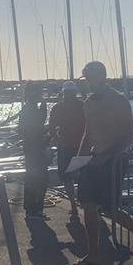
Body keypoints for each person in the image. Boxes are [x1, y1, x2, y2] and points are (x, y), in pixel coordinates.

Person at [73, 61, 133, 265]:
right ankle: (93, 255)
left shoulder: (119, 100)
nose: (87, 82)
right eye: (86, 78)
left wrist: (108, 156)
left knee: (111, 210)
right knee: (88, 206)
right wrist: (79, 159)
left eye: (89, 77)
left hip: (113, 163)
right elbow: (88, 134)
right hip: (93, 161)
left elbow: (129, 137)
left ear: (101, 76)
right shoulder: (88, 103)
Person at [48, 81, 86, 215]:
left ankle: (77, 204)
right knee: (71, 177)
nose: (69, 95)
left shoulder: (61, 107)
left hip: (78, 147)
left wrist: (57, 139)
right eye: (68, 93)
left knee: (73, 177)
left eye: (70, 93)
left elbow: (51, 128)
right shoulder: (81, 105)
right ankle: (76, 204)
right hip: (72, 147)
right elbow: (52, 127)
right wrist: (57, 140)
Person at [19, 82, 49, 220]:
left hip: (31, 148)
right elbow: (38, 125)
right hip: (35, 149)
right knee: (39, 180)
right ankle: (34, 210)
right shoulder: (31, 109)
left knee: (33, 179)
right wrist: (44, 107)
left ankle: (32, 209)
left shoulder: (27, 109)